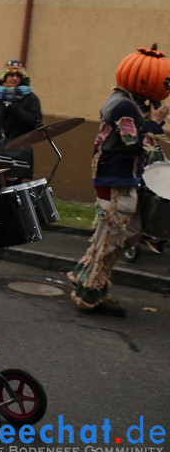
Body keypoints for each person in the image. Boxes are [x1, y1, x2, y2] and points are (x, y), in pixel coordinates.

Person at [69, 49, 170, 316]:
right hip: (115, 179)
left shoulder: (129, 101)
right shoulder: (124, 106)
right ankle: (89, 294)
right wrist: (155, 122)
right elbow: (132, 145)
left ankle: (84, 273)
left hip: (118, 177)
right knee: (110, 238)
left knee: (126, 233)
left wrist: (150, 119)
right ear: (145, 81)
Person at [0, 60, 42, 182]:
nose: (14, 78)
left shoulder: (30, 98)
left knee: (12, 190)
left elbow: (35, 122)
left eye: (17, 76)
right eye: (11, 75)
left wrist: (14, 110)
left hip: (17, 152)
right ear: (4, 77)